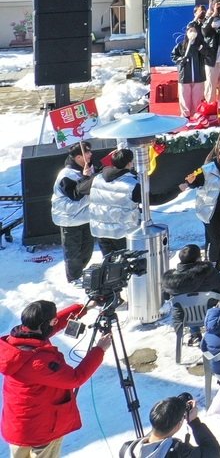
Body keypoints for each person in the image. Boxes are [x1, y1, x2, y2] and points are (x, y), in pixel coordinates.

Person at [0, 299, 109, 458]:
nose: (55, 323)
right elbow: (75, 378)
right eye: (53, 320)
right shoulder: (38, 362)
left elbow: (52, 326)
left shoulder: (16, 341)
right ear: (44, 324)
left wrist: (82, 309)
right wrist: (99, 350)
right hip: (40, 428)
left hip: (17, 427)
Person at [182, 142, 220, 266]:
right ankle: (211, 264)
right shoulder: (208, 169)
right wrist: (191, 182)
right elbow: (196, 182)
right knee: (215, 239)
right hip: (210, 211)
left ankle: (218, 265)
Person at [119, 392, 220, 458]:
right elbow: (214, 452)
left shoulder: (126, 449)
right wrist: (194, 421)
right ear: (177, 426)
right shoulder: (178, 452)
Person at [51, 142, 95, 283]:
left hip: (85, 218)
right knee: (73, 253)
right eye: (87, 153)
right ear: (78, 157)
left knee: (87, 250)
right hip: (69, 220)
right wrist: (86, 178)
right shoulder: (66, 175)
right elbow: (75, 195)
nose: (90, 155)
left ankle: (79, 274)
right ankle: (74, 278)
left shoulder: (88, 168)